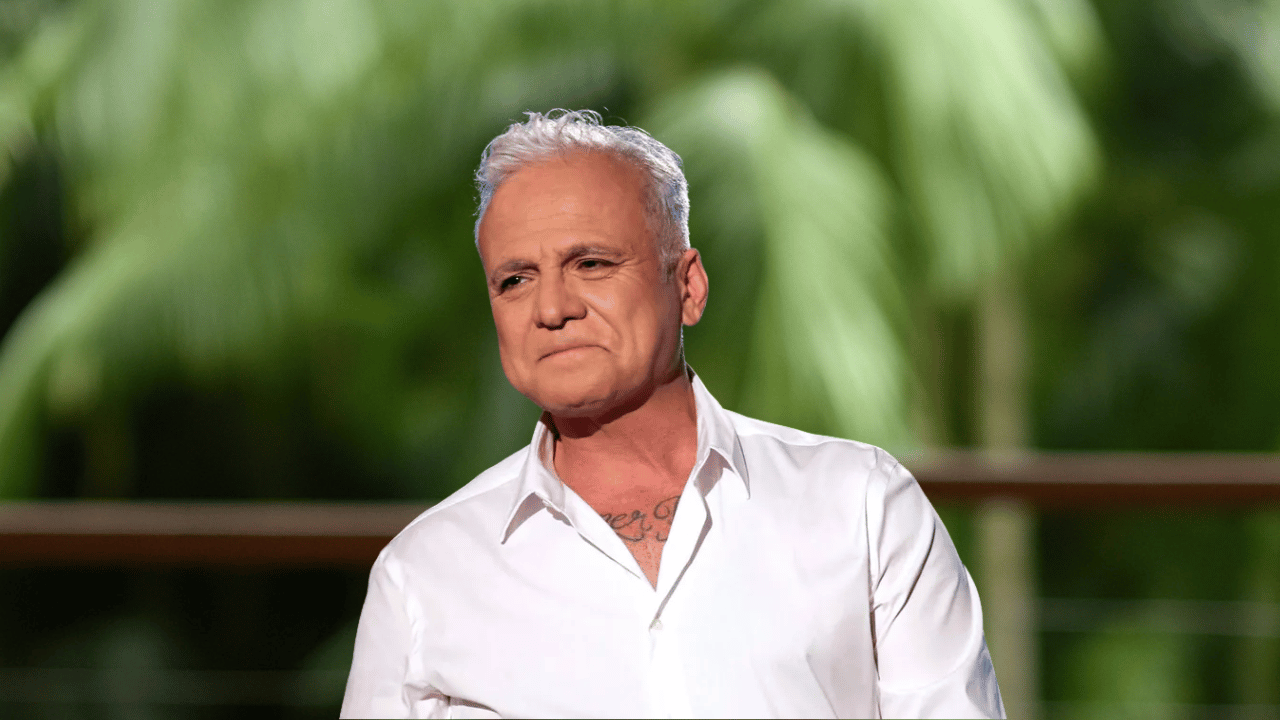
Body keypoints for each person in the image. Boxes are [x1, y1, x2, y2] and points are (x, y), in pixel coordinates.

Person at [340, 109, 1004, 719]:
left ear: (688, 286)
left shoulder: (862, 507)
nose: (551, 309)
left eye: (591, 263)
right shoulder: (424, 577)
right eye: (515, 279)